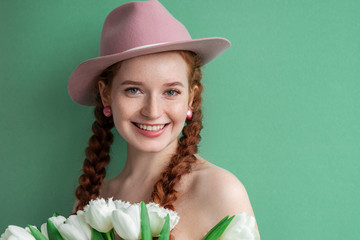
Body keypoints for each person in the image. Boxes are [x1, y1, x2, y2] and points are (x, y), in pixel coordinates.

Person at [68, 0, 259, 239]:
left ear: (192, 97)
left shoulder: (219, 191)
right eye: (133, 90)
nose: (153, 111)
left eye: (171, 92)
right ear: (106, 94)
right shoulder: (93, 199)